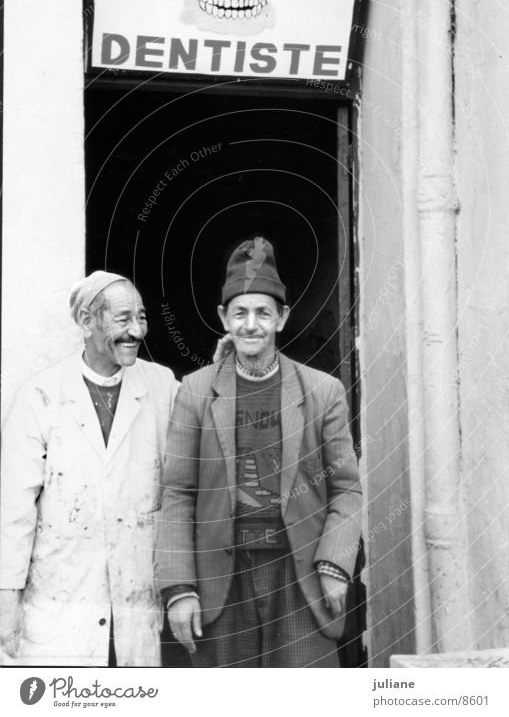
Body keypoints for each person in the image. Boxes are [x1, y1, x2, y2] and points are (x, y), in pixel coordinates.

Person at [157, 237, 362, 667]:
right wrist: (179, 588)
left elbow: (347, 489)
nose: (251, 325)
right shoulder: (196, 391)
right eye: (240, 313)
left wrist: (335, 564)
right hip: (222, 582)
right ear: (224, 318)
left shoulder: (323, 392)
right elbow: (177, 492)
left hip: (300, 574)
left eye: (263, 313)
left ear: (282, 318)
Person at [0, 271, 179, 666]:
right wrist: (6, 597)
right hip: (62, 602)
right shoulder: (41, 395)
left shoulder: (162, 385)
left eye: (142, 317)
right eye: (122, 318)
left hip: (135, 601)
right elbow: (14, 511)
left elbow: (201, 444)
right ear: (86, 321)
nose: (136, 330)